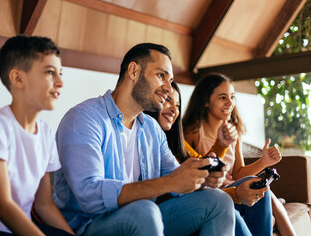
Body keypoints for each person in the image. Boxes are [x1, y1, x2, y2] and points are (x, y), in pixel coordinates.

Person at [53, 43, 235, 236]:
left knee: (219, 202)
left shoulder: (151, 128)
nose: (168, 87)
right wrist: (169, 183)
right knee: (144, 210)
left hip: (145, 219)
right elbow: (89, 195)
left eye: (170, 79)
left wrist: (203, 179)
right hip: (90, 226)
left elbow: (177, 178)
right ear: (133, 71)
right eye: (161, 76)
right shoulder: (84, 118)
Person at [0, 35, 75, 236]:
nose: (60, 83)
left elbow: (45, 205)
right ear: (18, 78)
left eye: (60, 73)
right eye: (50, 72)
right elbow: (2, 204)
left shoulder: (47, 134)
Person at [146, 81, 275, 236]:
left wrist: (216, 153)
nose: (174, 109)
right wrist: (234, 193)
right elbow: (179, 190)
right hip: (176, 208)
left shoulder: (176, 143)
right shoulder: (187, 132)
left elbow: (199, 165)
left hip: (203, 196)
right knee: (224, 206)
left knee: (258, 187)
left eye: (178, 105)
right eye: (167, 100)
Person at [182, 73, 296, 236]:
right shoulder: (192, 132)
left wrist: (263, 161)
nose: (230, 103)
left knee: (261, 187)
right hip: (212, 193)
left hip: (235, 189)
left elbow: (237, 173)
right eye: (222, 97)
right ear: (205, 101)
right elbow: (195, 171)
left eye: (232, 97)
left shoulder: (235, 130)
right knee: (265, 192)